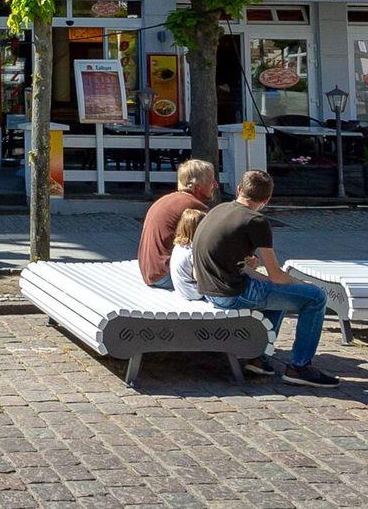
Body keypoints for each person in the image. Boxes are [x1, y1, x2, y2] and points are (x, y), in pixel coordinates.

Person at [192, 169, 338, 387]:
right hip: (231, 293)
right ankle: (299, 367)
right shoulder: (256, 220)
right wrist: (302, 284)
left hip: (208, 289)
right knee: (315, 297)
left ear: (239, 189)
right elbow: (276, 275)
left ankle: (259, 356)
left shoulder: (218, 210)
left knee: (279, 296)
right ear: (267, 199)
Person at [137, 158, 217, 289]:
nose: (215, 185)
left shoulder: (165, 200)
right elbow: (208, 246)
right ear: (198, 187)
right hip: (166, 273)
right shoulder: (195, 208)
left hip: (150, 271)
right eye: (211, 182)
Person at [167, 207, 205, 303]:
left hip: (180, 290)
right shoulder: (193, 251)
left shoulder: (178, 245)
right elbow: (197, 276)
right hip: (193, 292)